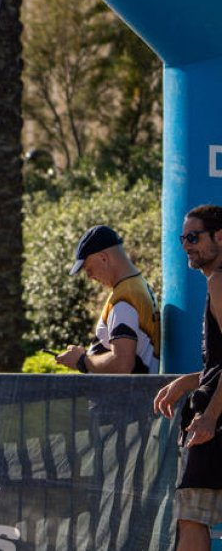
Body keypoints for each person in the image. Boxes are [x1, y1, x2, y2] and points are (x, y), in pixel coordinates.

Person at [154, 205, 222, 551]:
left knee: (192, 517)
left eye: (194, 237)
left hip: (215, 423)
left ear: (220, 236)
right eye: (183, 239)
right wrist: (188, 381)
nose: (187, 246)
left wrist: (209, 416)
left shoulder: (220, 281)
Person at [55, 224, 160, 374]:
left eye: (88, 268)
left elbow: (122, 364)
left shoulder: (124, 300)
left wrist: (81, 360)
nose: (90, 277)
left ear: (103, 258)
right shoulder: (139, 286)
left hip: (123, 396)